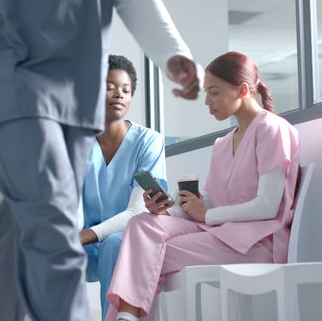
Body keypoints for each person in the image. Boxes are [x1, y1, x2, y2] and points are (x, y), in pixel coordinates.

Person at [0, 0, 201, 320]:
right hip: (8, 75)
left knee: (22, 236)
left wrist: (173, 53)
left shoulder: (144, 140)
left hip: (76, 91)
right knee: (54, 231)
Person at [105, 51, 300, 321]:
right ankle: (128, 317)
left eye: (214, 92)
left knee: (151, 254)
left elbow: (268, 206)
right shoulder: (222, 143)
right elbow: (210, 199)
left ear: (242, 90)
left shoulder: (272, 129)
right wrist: (169, 209)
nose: (207, 101)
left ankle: (126, 317)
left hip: (255, 241)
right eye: (206, 93)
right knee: (142, 223)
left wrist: (206, 215)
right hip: (219, 230)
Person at [80, 54, 167, 320]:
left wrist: (83, 236)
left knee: (115, 245)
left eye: (126, 90)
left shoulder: (148, 143)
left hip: (126, 235)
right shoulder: (76, 142)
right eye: (109, 87)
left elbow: (138, 210)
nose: (119, 95)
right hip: (81, 237)